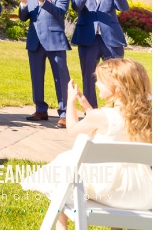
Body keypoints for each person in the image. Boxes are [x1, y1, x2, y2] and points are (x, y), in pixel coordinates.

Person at [21, 59, 152, 229]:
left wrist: (70, 101)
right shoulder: (147, 117)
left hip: (110, 190)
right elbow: (112, 129)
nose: (96, 84)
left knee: (58, 174)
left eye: (101, 81)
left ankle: (62, 230)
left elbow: (72, 129)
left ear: (117, 89)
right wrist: (88, 109)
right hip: (142, 193)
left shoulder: (101, 116)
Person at [15, 0, 72, 128]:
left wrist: (43, 1)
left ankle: (65, 114)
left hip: (55, 41)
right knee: (36, 77)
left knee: (61, 78)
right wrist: (23, 2)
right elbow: (23, 17)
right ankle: (40, 110)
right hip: (35, 41)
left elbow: (60, 12)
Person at [70, 0, 129, 108]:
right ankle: (91, 110)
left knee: (117, 75)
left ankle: (118, 109)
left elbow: (124, 7)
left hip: (111, 39)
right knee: (89, 76)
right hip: (87, 38)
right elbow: (76, 7)